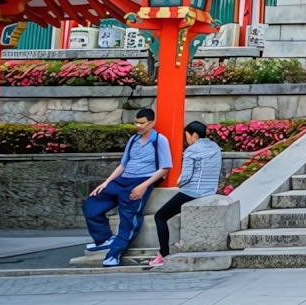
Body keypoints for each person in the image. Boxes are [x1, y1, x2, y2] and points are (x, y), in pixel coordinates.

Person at [83, 107, 170, 267]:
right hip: (122, 179)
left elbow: (165, 167)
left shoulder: (160, 140)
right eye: (136, 122)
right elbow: (123, 164)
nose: (138, 125)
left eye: (142, 123)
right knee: (91, 203)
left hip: (140, 181)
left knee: (128, 219)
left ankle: (113, 254)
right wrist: (106, 182)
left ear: (151, 122)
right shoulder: (133, 140)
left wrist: (143, 187)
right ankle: (104, 238)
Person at [147, 121, 222, 267]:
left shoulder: (191, 150)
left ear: (194, 135)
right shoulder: (215, 147)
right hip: (210, 189)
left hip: (193, 191)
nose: (186, 139)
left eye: (187, 136)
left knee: (160, 216)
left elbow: (186, 176)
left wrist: (180, 181)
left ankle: (163, 254)